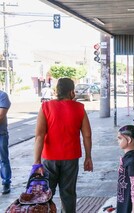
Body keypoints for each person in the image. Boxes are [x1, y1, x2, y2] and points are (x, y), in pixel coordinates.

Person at [33, 77, 93, 213]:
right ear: (72, 92)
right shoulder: (79, 108)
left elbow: (39, 136)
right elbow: (87, 135)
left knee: (46, 193)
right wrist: (88, 157)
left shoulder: (46, 107)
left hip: (50, 158)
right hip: (71, 158)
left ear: (57, 91)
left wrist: (37, 162)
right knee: (68, 194)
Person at [0, 90, 11, 194]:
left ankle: (6, 182)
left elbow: (1, 115)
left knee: (3, 159)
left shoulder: (2, 96)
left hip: (1, 134)